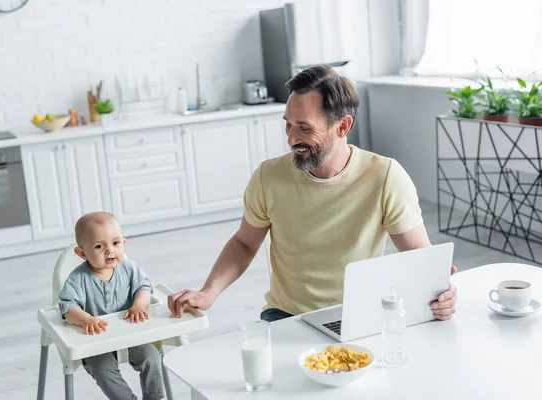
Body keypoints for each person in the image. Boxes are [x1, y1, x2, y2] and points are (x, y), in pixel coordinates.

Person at [167, 65, 458, 323]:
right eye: (288, 125)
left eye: (304, 128)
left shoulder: (385, 177)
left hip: (359, 312)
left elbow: (419, 256)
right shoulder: (269, 177)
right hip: (285, 314)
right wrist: (209, 292)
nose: (292, 139)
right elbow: (244, 243)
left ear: (343, 126)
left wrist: (442, 294)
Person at [58, 212, 165, 400]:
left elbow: (145, 288)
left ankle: (154, 398)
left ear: (123, 242)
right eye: (99, 246)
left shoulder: (129, 268)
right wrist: (85, 319)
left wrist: (139, 305)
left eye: (115, 243)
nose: (110, 251)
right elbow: (67, 307)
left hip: (131, 331)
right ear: (82, 253)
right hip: (96, 340)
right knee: (101, 368)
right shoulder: (78, 279)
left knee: (152, 357)